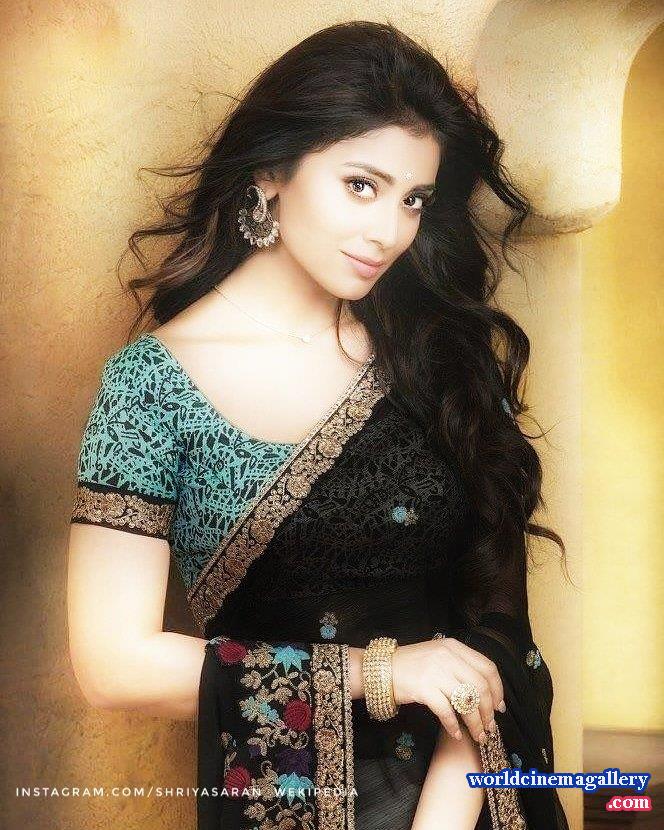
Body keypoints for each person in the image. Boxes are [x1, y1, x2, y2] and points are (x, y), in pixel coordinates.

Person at [66, 19, 572, 830]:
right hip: (280, 803)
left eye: (414, 200)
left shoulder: (442, 356)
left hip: (468, 798)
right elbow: (112, 665)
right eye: (362, 185)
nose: (389, 231)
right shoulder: (150, 389)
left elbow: (497, 628)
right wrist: (383, 673)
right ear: (271, 171)